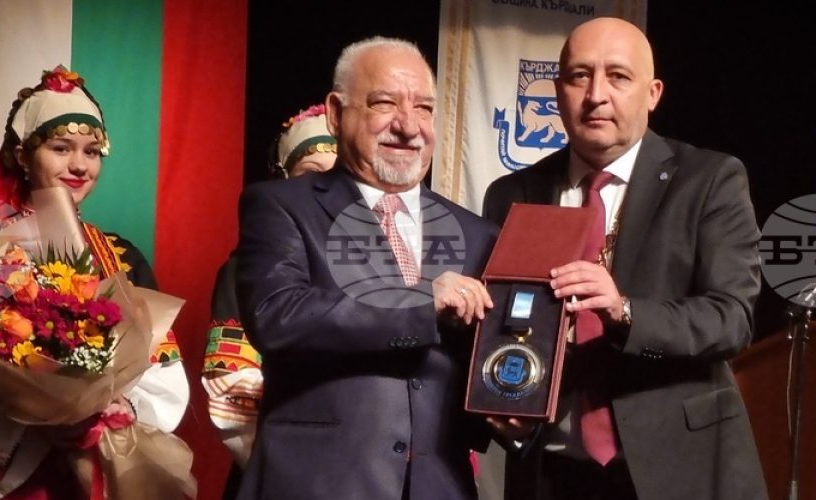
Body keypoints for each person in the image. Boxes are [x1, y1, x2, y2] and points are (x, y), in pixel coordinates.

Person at [483, 17, 768, 500]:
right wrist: (507, 406)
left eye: (618, 76)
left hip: (679, 470)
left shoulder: (709, 180)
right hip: (551, 472)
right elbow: (499, 326)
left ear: (652, 93)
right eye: (579, 76)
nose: (596, 95)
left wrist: (625, 311)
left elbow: (731, 318)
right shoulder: (512, 194)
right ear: (558, 91)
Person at [234, 37, 500, 500]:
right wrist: (421, 302)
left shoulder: (476, 233)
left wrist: (513, 410)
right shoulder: (282, 206)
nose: (408, 126)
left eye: (423, 108)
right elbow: (277, 314)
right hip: (316, 485)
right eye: (384, 103)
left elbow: (478, 361)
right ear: (336, 113)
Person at [0, 65, 190, 499]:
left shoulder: (122, 255)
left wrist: (119, 406)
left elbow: (160, 364)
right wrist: (37, 415)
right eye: (61, 149)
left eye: (92, 152)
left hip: (101, 461)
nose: (79, 165)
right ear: (23, 156)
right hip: (15, 478)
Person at [201, 104, 337, 498]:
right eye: (310, 173)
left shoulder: (377, 264)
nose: (325, 188)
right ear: (282, 179)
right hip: (280, 471)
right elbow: (231, 383)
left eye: (338, 174)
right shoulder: (248, 268)